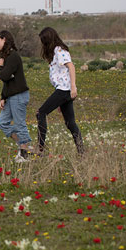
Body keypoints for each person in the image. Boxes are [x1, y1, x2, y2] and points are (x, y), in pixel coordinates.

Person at [36, 27, 84, 155]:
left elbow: (71, 67)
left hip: (64, 90)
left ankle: (40, 148)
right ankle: (81, 152)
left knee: (41, 113)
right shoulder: (55, 52)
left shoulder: (59, 50)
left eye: (44, 41)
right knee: (70, 123)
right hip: (63, 91)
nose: (43, 44)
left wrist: (73, 87)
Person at [0, 30, 32, 162]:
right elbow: (8, 80)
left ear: (4, 40)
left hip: (19, 96)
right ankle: (24, 146)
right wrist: (3, 97)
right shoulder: (7, 57)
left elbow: (4, 76)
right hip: (11, 97)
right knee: (2, 123)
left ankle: (24, 152)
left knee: (20, 124)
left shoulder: (13, 57)